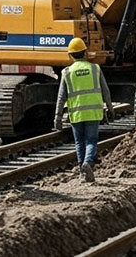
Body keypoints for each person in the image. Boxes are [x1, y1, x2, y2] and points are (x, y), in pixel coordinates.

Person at [54, 38, 111, 182]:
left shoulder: (67, 72)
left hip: (76, 113)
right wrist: (110, 108)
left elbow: (61, 97)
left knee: (79, 142)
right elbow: (106, 91)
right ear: (85, 53)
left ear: (70, 55)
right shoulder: (95, 68)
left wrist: (58, 117)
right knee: (91, 140)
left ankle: (81, 172)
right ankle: (88, 162)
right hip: (93, 112)